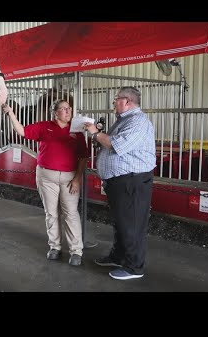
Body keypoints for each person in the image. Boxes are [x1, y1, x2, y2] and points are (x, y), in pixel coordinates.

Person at [2, 99, 89, 266]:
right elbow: (21, 131)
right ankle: (55, 247)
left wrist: (78, 178)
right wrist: (11, 114)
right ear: (55, 112)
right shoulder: (44, 127)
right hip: (46, 177)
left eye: (69, 108)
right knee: (51, 213)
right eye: (64, 109)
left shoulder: (76, 132)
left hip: (70, 178)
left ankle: (76, 251)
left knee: (71, 213)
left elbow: (84, 157)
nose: (68, 111)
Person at [84, 86, 156, 280]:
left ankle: (134, 268)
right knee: (121, 223)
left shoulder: (138, 122)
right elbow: (112, 141)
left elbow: (116, 145)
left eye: (116, 99)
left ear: (127, 101)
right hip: (120, 182)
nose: (114, 103)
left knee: (132, 224)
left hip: (132, 181)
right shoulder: (124, 121)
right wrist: (99, 135)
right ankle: (119, 256)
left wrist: (94, 133)